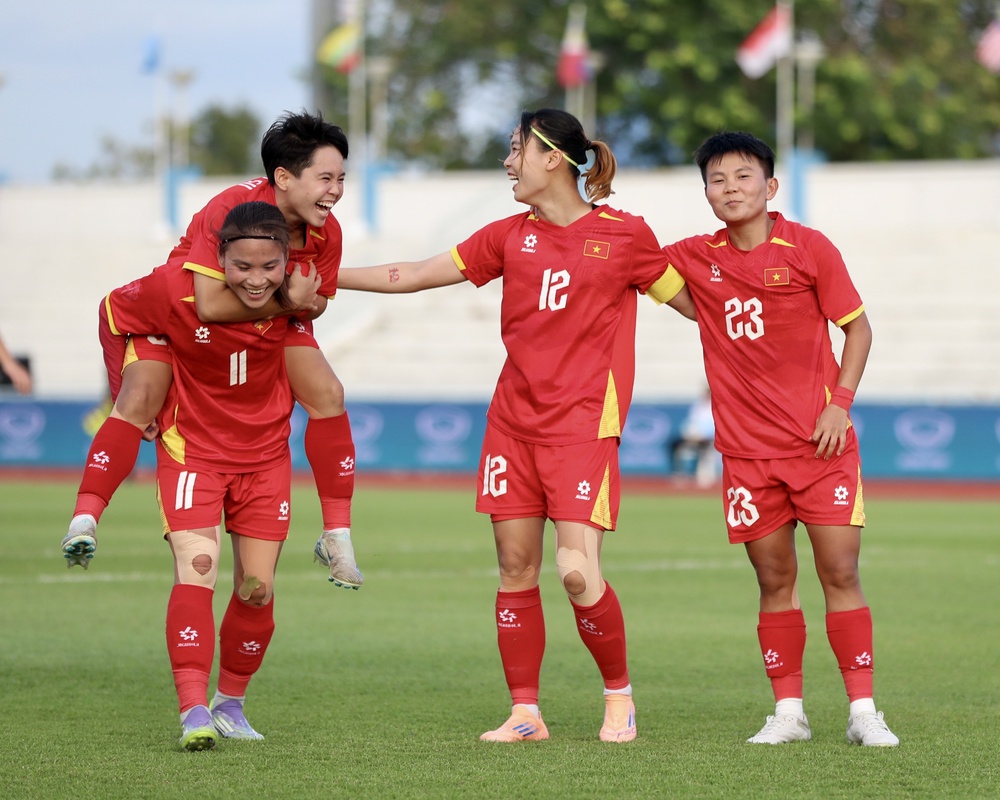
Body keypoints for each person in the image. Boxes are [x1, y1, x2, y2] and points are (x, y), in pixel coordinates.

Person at [336, 108, 695, 743]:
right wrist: (325, 279)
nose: (507, 162)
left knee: (577, 572)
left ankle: (619, 697)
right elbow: (413, 274)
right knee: (514, 568)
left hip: (584, 427)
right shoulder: (507, 236)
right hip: (511, 425)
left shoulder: (627, 236)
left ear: (552, 158)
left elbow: (697, 305)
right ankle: (525, 713)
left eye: (515, 149)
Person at [661, 131, 898, 747]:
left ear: (769, 186)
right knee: (773, 581)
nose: (730, 188)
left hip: (821, 448)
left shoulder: (810, 248)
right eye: (717, 180)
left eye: (743, 176)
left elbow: (859, 329)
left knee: (840, 572)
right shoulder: (694, 256)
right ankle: (789, 713)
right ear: (706, 194)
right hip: (746, 457)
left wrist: (839, 406)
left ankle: (864, 712)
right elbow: (635, 266)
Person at [61, 111, 363, 589]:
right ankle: (85, 517)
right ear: (284, 178)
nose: (337, 191)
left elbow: (318, 300)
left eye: (341, 179)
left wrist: (297, 301)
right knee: (138, 400)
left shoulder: (328, 231)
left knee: (329, 393)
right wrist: (290, 299)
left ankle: (337, 534)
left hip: (265, 318)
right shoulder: (231, 209)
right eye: (326, 178)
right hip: (185, 318)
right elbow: (208, 304)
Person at [95, 201, 298, 750]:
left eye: (269, 267)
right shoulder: (180, 295)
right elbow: (113, 312)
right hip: (193, 454)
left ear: (286, 261)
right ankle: (192, 709)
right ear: (220, 260)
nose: (256, 279)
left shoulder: (298, 300)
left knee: (257, 590)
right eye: (242, 266)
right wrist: (125, 392)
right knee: (198, 568)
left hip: (264, 460)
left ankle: (230, 704)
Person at [666, 387, 716, 485]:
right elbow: (691, 421)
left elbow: (713, 426)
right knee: (674, 444)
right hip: (693, 435)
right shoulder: (698, 406)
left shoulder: (715, 407)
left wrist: (703, 435)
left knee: (703, 447)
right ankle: (678, 473)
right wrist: (689, 433)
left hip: (707, 437)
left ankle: (700, 474)